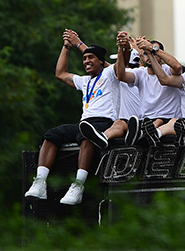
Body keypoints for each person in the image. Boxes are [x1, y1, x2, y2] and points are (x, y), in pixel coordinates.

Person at [25, 35, 120, 205]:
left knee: (86, 135)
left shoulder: (110, 74)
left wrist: (80, 44)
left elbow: (115, 66)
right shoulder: (84, 81)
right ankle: (40, 182)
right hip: (84, 122)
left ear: (101, 61)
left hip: (104, 122)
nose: (86, 61)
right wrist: (67, 47)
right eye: (84, 59)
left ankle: (78, 186)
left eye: (91, 58)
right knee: (52, 135)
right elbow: (60, 74)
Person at [100, 34, 185, 148]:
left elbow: (177, 67)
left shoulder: (168, 71)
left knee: (159, 121)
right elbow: (121, 76)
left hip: (167, 120)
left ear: (160, 55)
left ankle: (141, 135)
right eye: (146, 54)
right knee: (120, 122)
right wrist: (121, 49)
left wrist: (152, 49)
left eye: (153, 53)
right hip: (145, 121)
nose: (149, 56)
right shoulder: (140, 72)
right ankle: (103, 137)